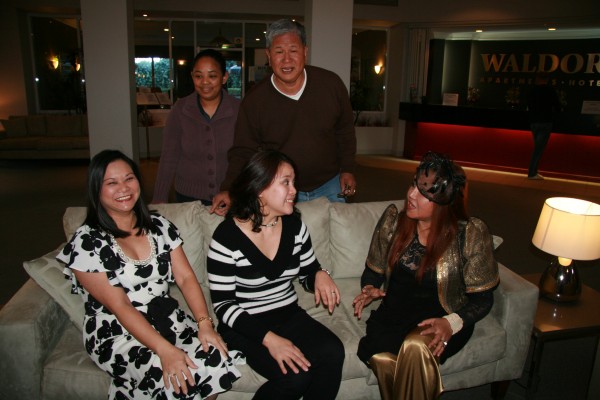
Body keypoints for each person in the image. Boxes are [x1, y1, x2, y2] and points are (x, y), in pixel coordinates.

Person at [57, 149, 244, 400]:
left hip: (167, 318)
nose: (123, 188)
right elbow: (121, 306)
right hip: (117, 331)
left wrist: (205, 324)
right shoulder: (87, 242)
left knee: (213, 356)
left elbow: (186, 278)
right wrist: (165, 350)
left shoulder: (159, 226)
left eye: (129, 178)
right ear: (96, 190)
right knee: (176, 376)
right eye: (111, 183)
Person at [352, 151, 499, 400]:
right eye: (413, 184)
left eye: (423, 193)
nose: (411, 195)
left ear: (444, 201)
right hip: (394, 316)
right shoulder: (393, 224)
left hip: (441, 318)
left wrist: (451, 323)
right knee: (382, 359)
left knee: (416, 347)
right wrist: (370, 288)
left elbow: (483, 299)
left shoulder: (469, 235)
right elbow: (372, 271)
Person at [207, 150, 345, 399]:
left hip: (288, 315)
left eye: (294, 182)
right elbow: (224, 305)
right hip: (245, 325)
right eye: (285, 182)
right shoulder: (226, 237)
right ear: (259, 189)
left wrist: (319, 274)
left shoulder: (295, 226)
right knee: (295, 376)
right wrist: (269, 339)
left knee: (332, 352)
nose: (294, 190)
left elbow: (307, 273)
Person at [210, 18, 357, 216]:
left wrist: (347, 169)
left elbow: (345, 131)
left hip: (330, 183)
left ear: (305, 51)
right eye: (279, 52)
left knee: (339, 240)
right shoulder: (255, 101)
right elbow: (243, 150)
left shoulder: (331, 84)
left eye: (293, 51)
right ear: (269, 56)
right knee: (288, 244)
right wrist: (228, 188)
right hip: (280, 188)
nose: (286, 60)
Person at [153, 49, 240, 204]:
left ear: (224, 77)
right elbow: (169, 156)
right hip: (188, 198)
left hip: (230, 197)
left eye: (212, 76)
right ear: (192, 77)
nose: (205, 82)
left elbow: (245, 156)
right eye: (198, 76)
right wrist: (159, 198)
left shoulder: (238, 110)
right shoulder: (181, 109)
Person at [526, 73, 561, 180]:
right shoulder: (550, 91)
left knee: (537, 147)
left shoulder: (532, 90)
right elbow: (557, 106)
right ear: (547, 79)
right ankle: (532, 173)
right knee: (538, 149)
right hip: (545, 122)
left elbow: (529, 105)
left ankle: (534, 171)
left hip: (534, 122)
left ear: (537, 78)